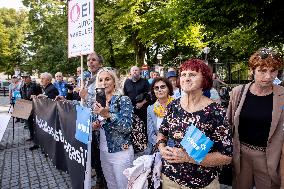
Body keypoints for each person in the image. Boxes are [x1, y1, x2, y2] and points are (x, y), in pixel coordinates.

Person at [157, 59, 232, 189]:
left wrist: (187, 157)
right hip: (170, 179)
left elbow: (226, 156)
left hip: (201, 182)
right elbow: (162, 133)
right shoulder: (173, 106)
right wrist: (161, 148)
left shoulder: (215, 111)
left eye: (192, 74)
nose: (186, 78)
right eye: (184, 74)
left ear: (204, 80)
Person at [227, 48, 284, 189]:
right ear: (253, 70)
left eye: (273, 71)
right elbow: (228, 124)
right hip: (241, 154)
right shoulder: (238, 93)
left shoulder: (282, 95)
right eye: (262, 70)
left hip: (269, 156)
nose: (268, 76)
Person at [92, 67, 134, 189]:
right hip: (103, 151)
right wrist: (95, 125)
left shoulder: (123, 100)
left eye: (107, 79)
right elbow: (96, 124)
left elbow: (127, 127)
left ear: (114, 82)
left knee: (124, 186)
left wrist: (108, 115)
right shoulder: (98, 103)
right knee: (111, 185)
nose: (103, 83)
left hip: (121, 152)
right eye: (100, 80)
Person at [79, 52, 106, 189]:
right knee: (94, 156)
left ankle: (102, 183)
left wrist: (86, 96)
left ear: (100, 63)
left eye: (94, 60)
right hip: (89, 123)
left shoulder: (102, 79)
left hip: (100, 125)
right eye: (88, 60)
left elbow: (102, 103)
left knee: (101, 158)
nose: (90, 62)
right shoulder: (88, 79)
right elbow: (83, 104)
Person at [145, 77, 174, 154]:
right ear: (153, 91)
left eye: (163, 87)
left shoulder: (178, 105)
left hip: (177, 149)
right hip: (159, 150)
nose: (159, 90)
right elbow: (151, 134)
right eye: (156, 88)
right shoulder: (151, 109)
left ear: (168, 88)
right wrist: (162, 147)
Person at [20, 73, 42, 142]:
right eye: (23, 78)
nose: (24, 79)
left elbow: (40, 96)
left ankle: (38, 137)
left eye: (26, 77)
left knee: (36, 123)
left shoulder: (36, 86)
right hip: (27, 107)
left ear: (29, 78)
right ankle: (32, 136)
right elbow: (22, 97)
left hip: (35, 107)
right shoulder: (22, 87)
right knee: (29, 123)